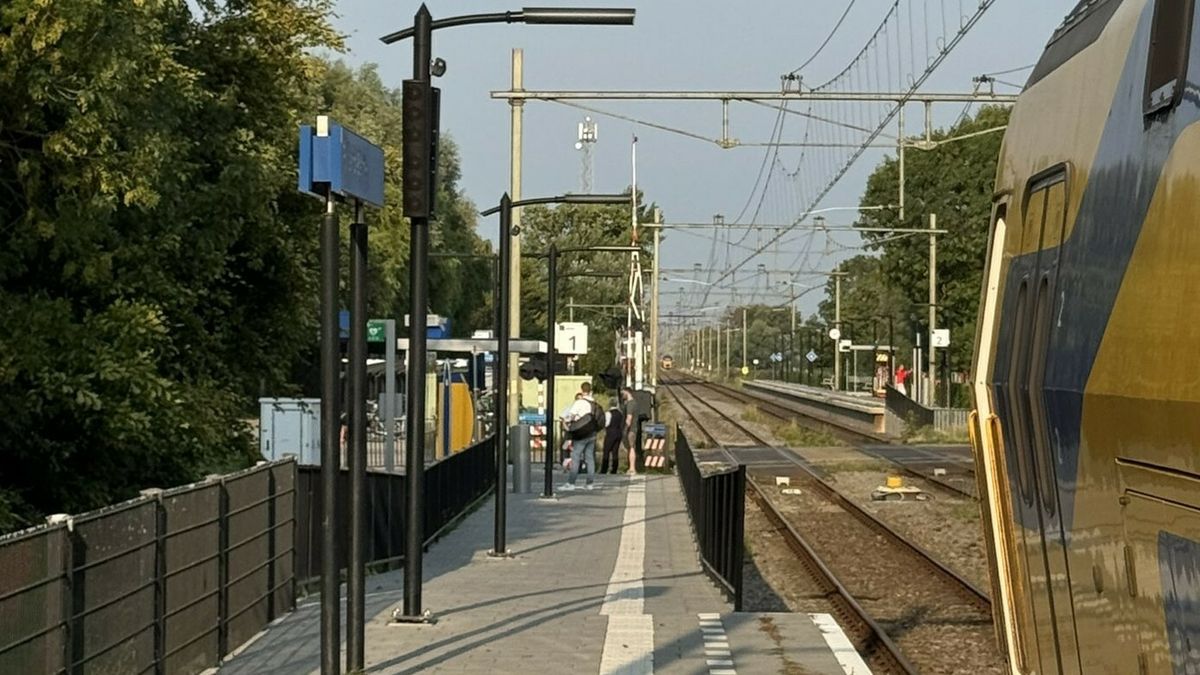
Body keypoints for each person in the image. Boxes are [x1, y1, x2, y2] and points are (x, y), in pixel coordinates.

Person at [560, 384, 603, 490]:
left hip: (581, 434)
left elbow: (570, 417)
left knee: (575, 457)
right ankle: (589, 483)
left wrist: (566, 423)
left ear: (582, 390)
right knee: (589, 458)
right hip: (592, 433)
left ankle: (571, 483)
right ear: (590, 391)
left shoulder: (579, 403)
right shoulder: (594, 403)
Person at [599, 396, 624, 474]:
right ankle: (614, 469)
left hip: (610, 433)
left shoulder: (608, 413)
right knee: (615, 452)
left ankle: (604, 469)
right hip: (619, 433)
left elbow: (606, 424)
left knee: (606, 451)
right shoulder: (620, 413)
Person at [619, 387, 639, 475]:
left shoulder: (630, 404)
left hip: (630, 429)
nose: (622, 395)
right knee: (631, 448)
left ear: (628, 392)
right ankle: (631, 467)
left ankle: (632, 468)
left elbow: (629, 418)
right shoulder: (634, 403)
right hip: (633, 428)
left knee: (631, 448)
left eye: (623, 393)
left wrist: (625, 429)